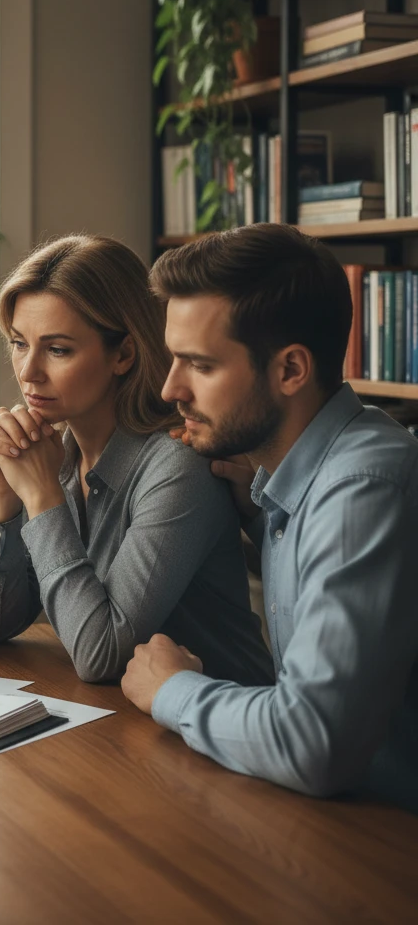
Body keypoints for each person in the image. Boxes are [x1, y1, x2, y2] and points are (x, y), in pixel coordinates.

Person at [122, 223, 418, 814]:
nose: (170, 388)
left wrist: (172, 689)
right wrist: (259, 516)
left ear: (290, 370)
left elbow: (313, 742)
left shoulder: (362, 488)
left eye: (200, 365)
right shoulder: (293, 478)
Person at [0, 234, 273, 685]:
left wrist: (43, 497)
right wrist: (3, 498)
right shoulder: (56, 456)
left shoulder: (179, 467)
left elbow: (101, 654)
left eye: (57, 349)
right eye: (18, 343)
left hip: (222, 716)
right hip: (121, 713)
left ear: (124, 354)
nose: (28, 372)